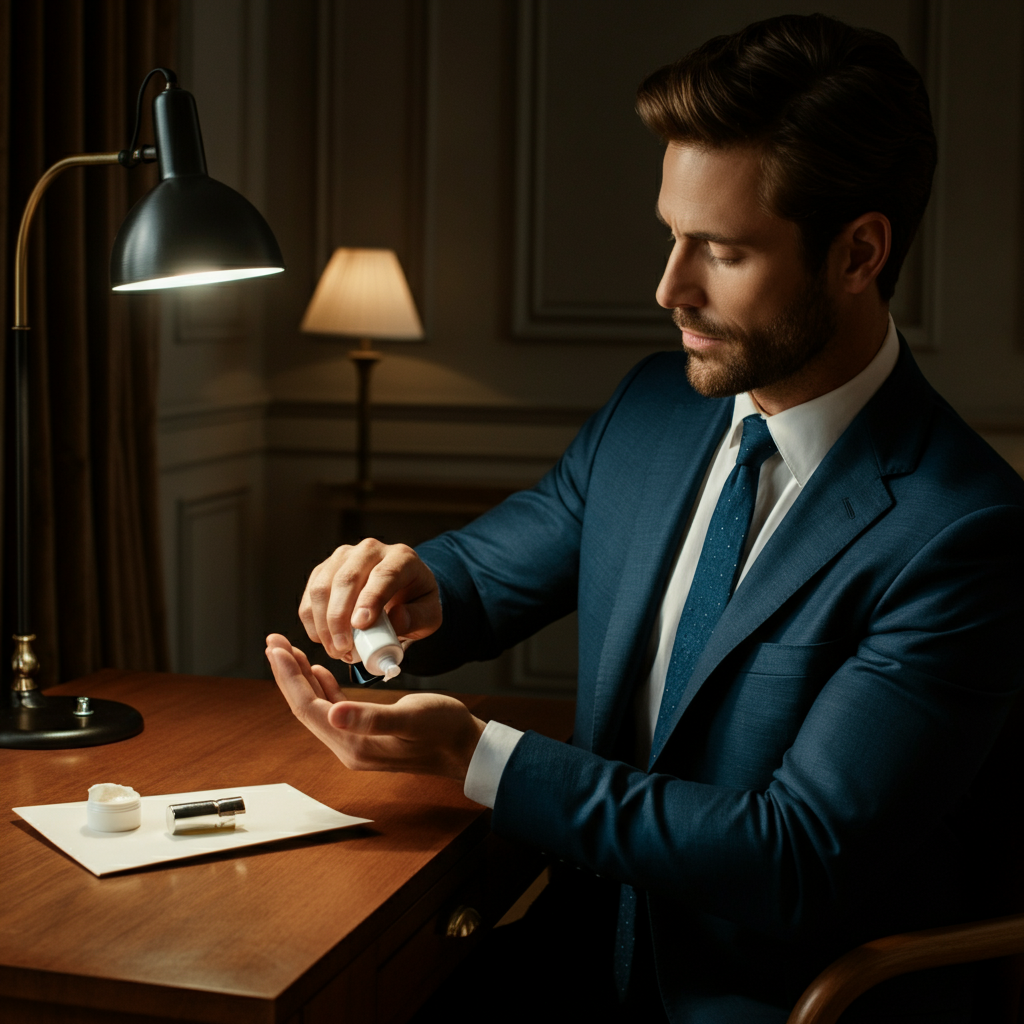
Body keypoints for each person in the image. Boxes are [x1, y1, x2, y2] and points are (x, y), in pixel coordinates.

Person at [266, 13, 1024, 1023]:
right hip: (571, 960)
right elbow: (492, 569)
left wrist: (478, 757)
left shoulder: (963, 532)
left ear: (858, 254)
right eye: (674, 235)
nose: (669, 287)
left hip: (778, 1001)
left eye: (721, 251)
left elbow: (793, 855)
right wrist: (401, 587)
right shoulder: (652, 409)